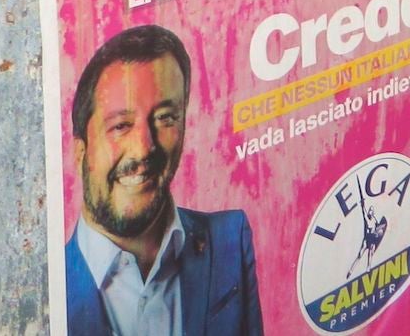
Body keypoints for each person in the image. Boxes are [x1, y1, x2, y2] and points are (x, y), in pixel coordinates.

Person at [64, 25, 262, 336]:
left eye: (165, 118)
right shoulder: (47, 287)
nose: (144, 147)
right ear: (80, 151)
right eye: (120, 125)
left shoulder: (229, 240)